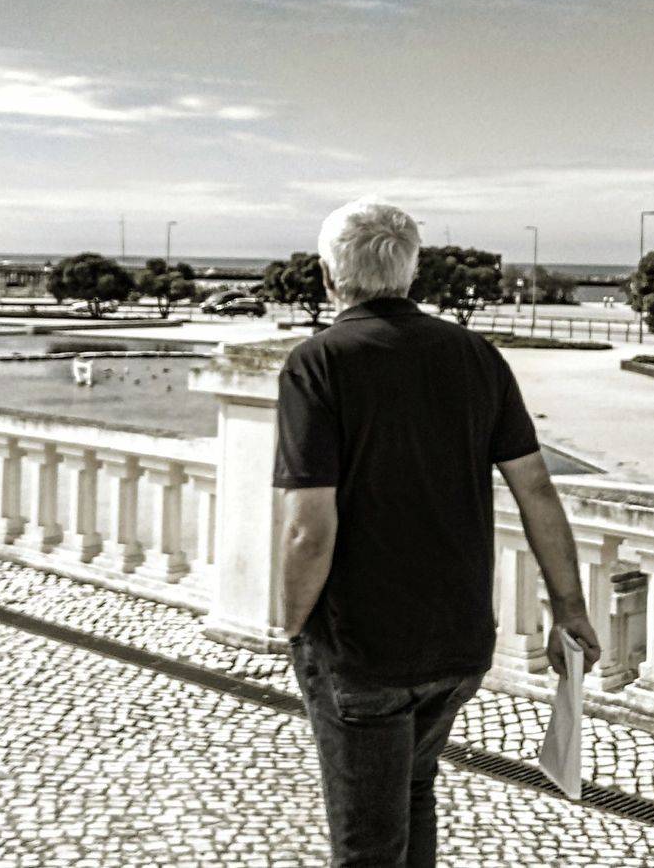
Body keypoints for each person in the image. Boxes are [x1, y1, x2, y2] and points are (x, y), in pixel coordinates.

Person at [273, 197, 601, 868]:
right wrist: (570, 609)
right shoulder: (477, 356)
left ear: (329, 276)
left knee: (367, 848)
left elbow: (309, 528)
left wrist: (290, 624)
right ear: (411, 273)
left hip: (362, 647)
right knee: (414, 793)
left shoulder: (318, 363)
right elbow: (536, 490)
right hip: (457, 645)